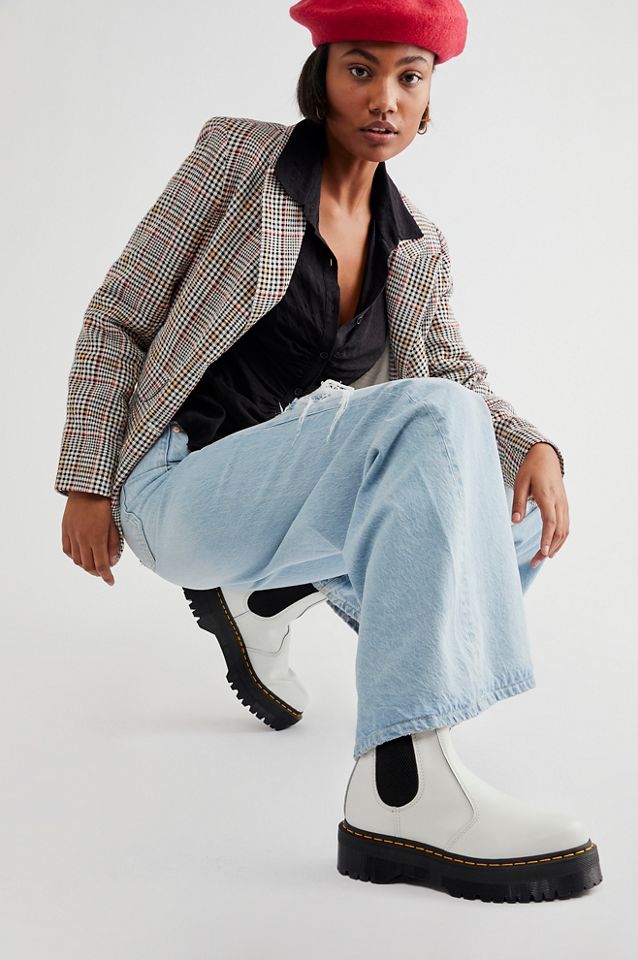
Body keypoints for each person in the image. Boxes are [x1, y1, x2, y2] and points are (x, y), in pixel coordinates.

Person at [54, 0, 603, 902]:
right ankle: (403, 783)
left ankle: (273, 598)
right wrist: (87, 482)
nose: (384, 98)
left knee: (505, 518)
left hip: (285, 492)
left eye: (409, 78)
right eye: (360, 69)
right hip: (179, 483)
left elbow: (450, 370)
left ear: (428, 99)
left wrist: (532, 444)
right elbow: (120, 314)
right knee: (433, 422)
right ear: (322, 78)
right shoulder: (237, 160)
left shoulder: (417, 245)